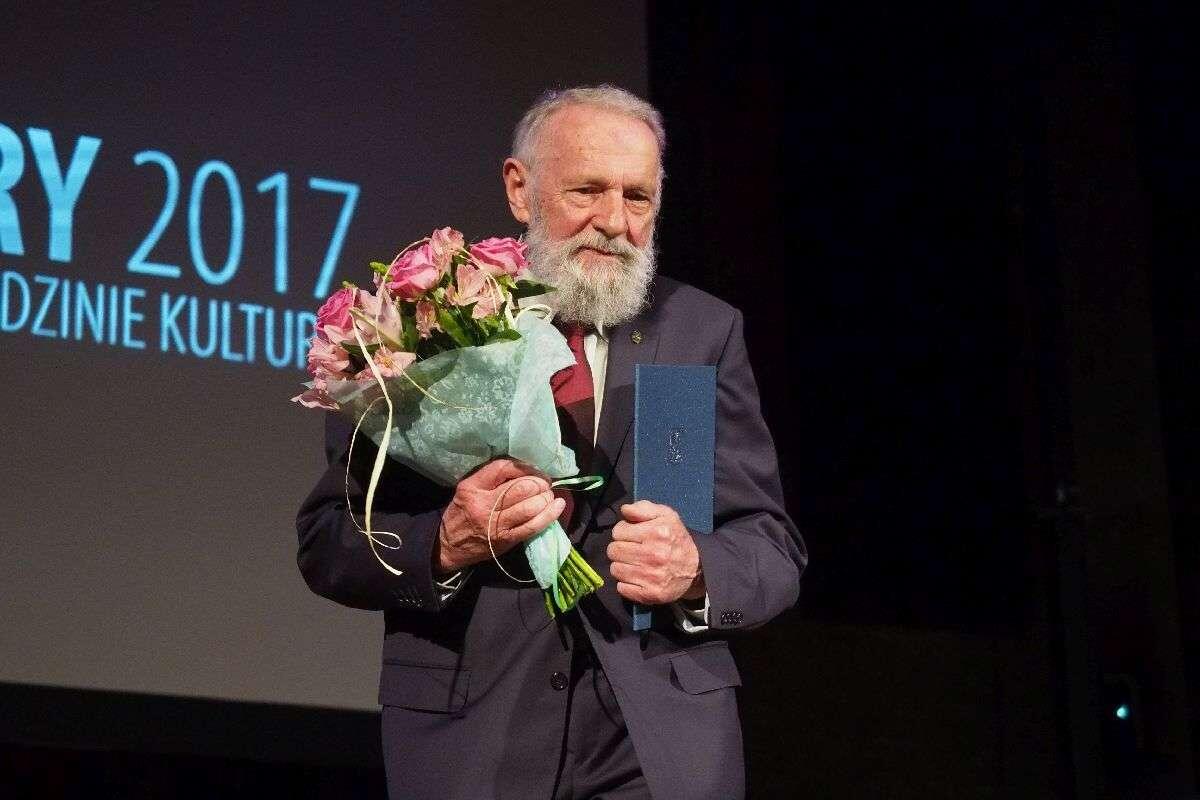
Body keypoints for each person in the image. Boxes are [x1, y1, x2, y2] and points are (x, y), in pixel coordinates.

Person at [296, 85, 807, 800]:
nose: (615, 222)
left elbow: (770, 546)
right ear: (520, 189)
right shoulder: (422, 324)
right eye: (587, 191)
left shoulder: (699, 334)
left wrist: (696, 568)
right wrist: (445, 542)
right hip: (476, 734)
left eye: (638, 197)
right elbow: (329, 542)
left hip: (656, 742)